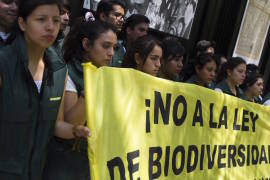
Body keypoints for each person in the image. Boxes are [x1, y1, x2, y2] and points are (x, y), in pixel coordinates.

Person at [0, 0, 89, 179]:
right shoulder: (4, 63)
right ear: (22, 23)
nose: (50, 27)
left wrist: (74, 130)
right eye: (41, 19)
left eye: (56, 21)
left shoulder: (59, 70)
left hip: (36, 172)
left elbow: (55, 124)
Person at [43, 19, 117, 180]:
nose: (111, 53)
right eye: (106, 46)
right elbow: (70, 124)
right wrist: (88, 92)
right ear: (86, 44)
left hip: (91, 164)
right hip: (65, 164)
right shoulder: (67, 73)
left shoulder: (108, 76)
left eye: (114, 47)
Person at [96, 0, 126, 68]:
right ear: (103, 16)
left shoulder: (121, 49)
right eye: (117, 15)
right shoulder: (89, 40)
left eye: (123, 17)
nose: (121, 20)